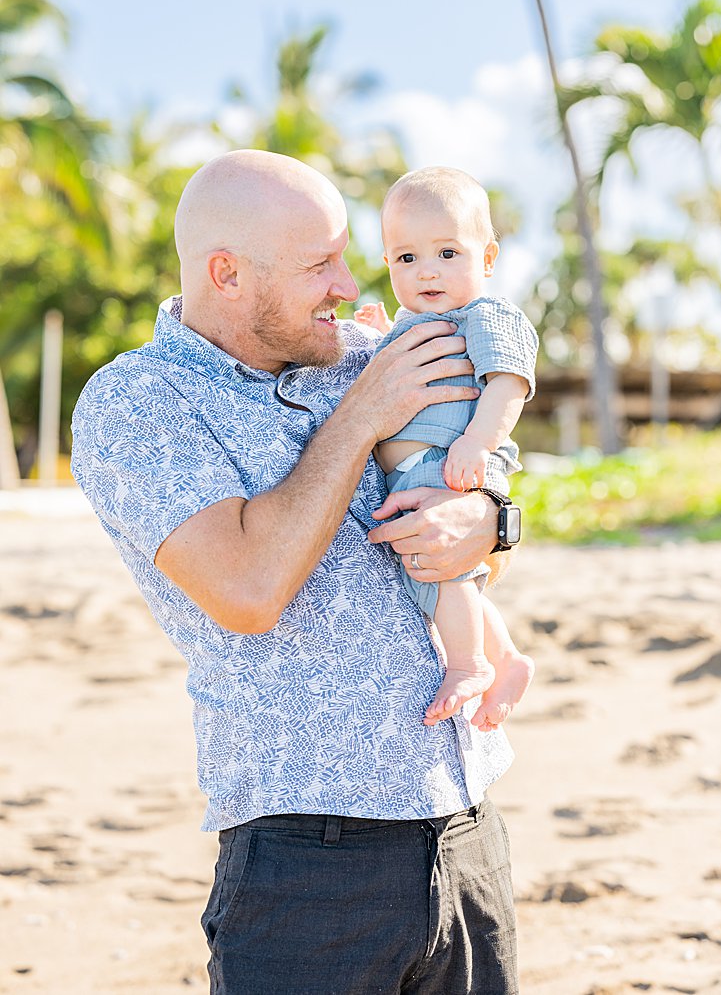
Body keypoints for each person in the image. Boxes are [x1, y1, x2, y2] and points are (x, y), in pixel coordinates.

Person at [71, 149, 521, 994]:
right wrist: (357, 422)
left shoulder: (366, 352)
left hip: (467, 830)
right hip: (309, 864)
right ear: (227, 274)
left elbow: (490, 436)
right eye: (321, 265)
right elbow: (246, 591)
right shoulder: (136, 402)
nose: (350, 287)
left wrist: (492, 518)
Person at [353, 166, 537, 732]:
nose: (427, 270)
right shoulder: (417, 320)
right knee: (452, 572)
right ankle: (506, 661)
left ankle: (468, 664)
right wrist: (384, 331)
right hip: (420, 466)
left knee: (440, 569)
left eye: (447, 253)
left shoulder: (484, 315)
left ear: (487, 258)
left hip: (449, 460)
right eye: (406, 258)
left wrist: (477, 442)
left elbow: (509, 381)